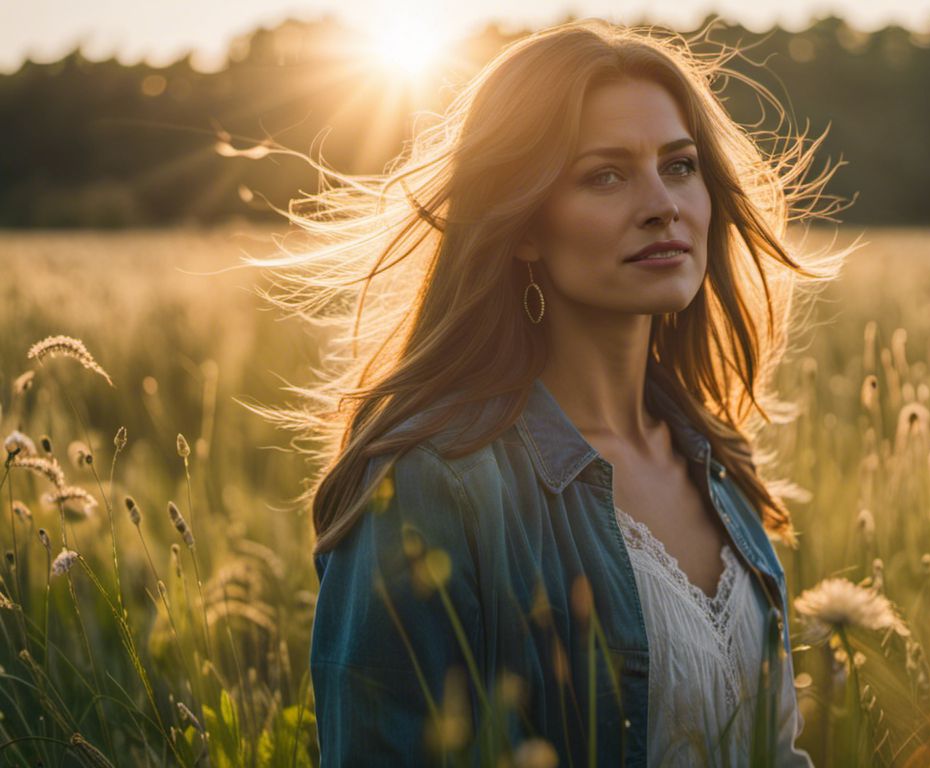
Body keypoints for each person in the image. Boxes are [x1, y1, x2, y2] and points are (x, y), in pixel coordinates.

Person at [248, 17, 851, 766]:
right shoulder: (434, 483)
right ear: (524, 224)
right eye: (606, 174)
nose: (663, 202)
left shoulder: (717, 463)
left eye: (681, 165)